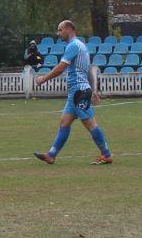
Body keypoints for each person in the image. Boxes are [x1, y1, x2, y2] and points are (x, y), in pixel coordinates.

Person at [32, 19, 112, 166]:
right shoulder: (82, 46)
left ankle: (106, 155)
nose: (58, 33)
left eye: (60, 29)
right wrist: (93, 90)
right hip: (77, 92)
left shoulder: (73, 46)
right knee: (64, 122)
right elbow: (88, 70)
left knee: (90, 124)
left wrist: (43, 79)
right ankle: (51, 155)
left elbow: (61, 68)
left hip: (79, 92)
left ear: (69, 29)